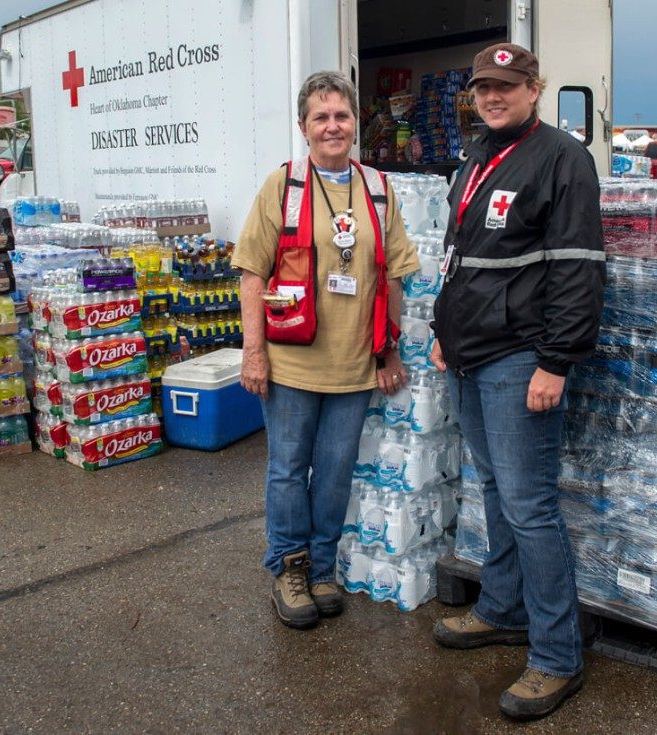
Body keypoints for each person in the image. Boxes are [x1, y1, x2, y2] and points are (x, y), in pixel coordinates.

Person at [429, 42, 605, 721]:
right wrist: (446, 335)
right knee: (495, 487)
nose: (493, 97)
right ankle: (502, 607)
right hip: (469, 355)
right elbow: (460, 260)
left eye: (506, 85)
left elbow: (577, 266)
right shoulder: (477, 155)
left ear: (536, 87)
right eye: (483, 88)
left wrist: (555, 360)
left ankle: (558, 656)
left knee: (530, 505)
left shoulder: (561, 157)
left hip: (518, 358)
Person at [233, 71, 420, 630]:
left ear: (353, 124)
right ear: (304, 127)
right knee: (289, 468)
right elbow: (250, 272)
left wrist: (388, 352)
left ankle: (321, 567)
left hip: (355, 362)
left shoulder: (379, 188)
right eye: (321, 117)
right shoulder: (283, 186)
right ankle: (288, 568)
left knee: (336, 469)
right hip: (291, 360)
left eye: (341, 116)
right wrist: (254, 353)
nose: (332, 126)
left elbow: (397, 275)